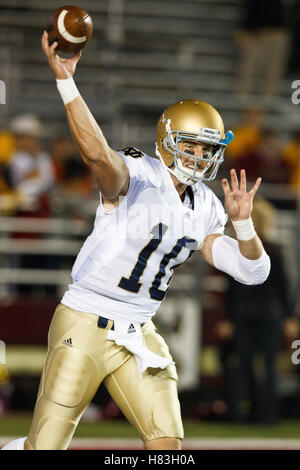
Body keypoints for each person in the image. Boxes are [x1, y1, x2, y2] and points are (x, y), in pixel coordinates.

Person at [1, 31, 271, 451]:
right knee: (45, 448)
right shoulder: (137, 173)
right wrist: (67, 82)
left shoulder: (207, 205)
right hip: (85, 321)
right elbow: (97, 157)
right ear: (166, 142)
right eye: (193, 147)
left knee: (167, 446)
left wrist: (245, 225)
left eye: (208, 149)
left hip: (139, 330)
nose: (201, 158)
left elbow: (253, 272)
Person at [216, 198, 298, 423]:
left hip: (246, 315)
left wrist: (227, 318)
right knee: (266, 367)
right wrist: (290, 316)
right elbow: (286, 288)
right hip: (267, 316)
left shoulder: (242, 250)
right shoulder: (275, 250)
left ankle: (238, 414)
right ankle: (267, 416)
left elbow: (231, 289)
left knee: (242, 367)